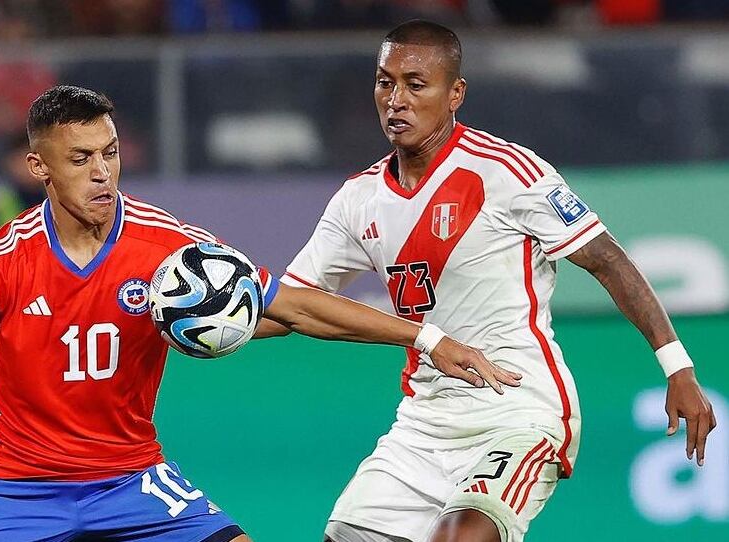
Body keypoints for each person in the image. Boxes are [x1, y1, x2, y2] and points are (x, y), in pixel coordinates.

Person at [0, 85, 520, 542]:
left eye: (109, 154)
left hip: (131, 479)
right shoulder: (4, 257)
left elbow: (291, 306)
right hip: (14, 486)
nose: (101, 174)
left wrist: (426, 337)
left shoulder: (167, 246)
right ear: (38, 166)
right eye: (79, 159)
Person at [256, 20, 717, 542]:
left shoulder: (507, 171)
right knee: (345, 534)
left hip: (518, 413)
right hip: (423, 425)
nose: (396, 100)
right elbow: (290, 306)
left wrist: (677, 366)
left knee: (459, 538)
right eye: (385, 83)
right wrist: (203, 316)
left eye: (415, 84)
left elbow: (607, 260)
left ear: (456, 94)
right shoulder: (357, 200)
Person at [0, 132, 45, 246]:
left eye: (34, 159)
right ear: (8, 163)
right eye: (20, 161)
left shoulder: (60, 201)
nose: (28, 167)